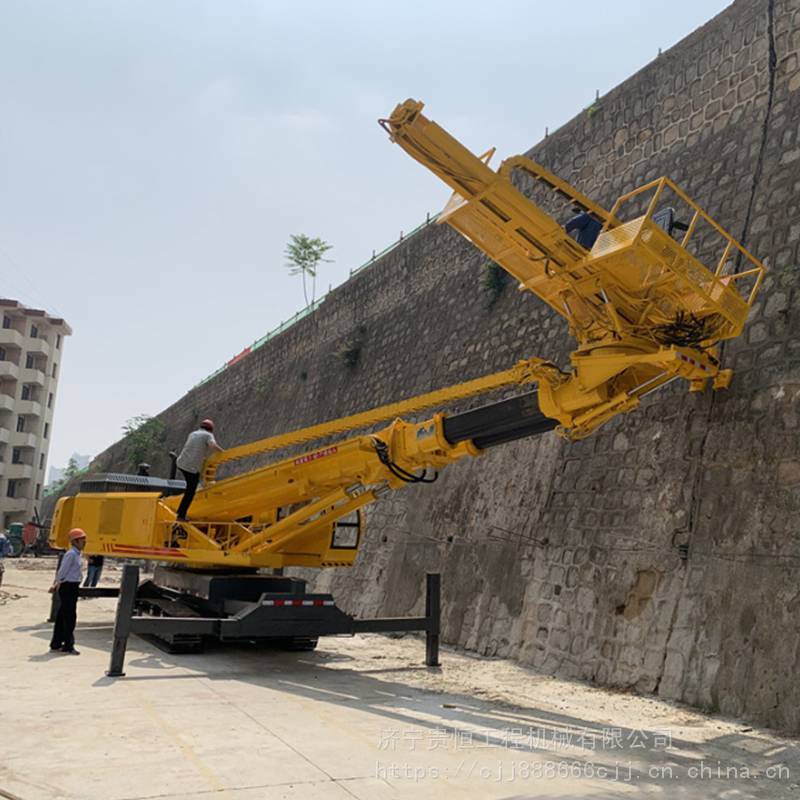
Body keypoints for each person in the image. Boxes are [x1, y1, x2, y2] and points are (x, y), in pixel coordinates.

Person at [175, 419, 223, 521]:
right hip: (191, 468)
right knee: (190, 491)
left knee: (192, 483)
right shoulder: (208, 435)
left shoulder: (193, 434)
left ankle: (180, 511)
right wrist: (223, 452)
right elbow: (212, 445)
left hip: (181, 463)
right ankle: (181, 515)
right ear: (210, 429)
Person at [49, 528, 87, 655]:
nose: (84, 542)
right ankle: (68, 645)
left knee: (62, 616)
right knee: (70, 617)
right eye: (82, 540)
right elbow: (62, 570)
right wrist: (57, 583)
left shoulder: (77, 554)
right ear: (75, 541)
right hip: (68, 587)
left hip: (72, 586)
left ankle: (56, 643)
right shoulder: (71, 554)